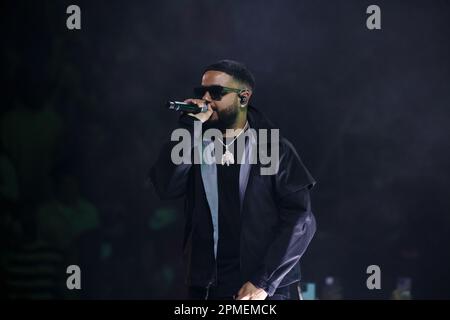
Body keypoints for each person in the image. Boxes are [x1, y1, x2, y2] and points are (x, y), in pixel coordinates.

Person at [149, 59, 316, 300]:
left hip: (261, 286)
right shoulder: (195, 143)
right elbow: (166, 187)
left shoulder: (269, 147)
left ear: (244, 97)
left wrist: (263, 282)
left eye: (216, 92)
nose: (206, 99)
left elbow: (301, 220)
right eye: (201, 91)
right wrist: (189, 127)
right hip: (207, 284)